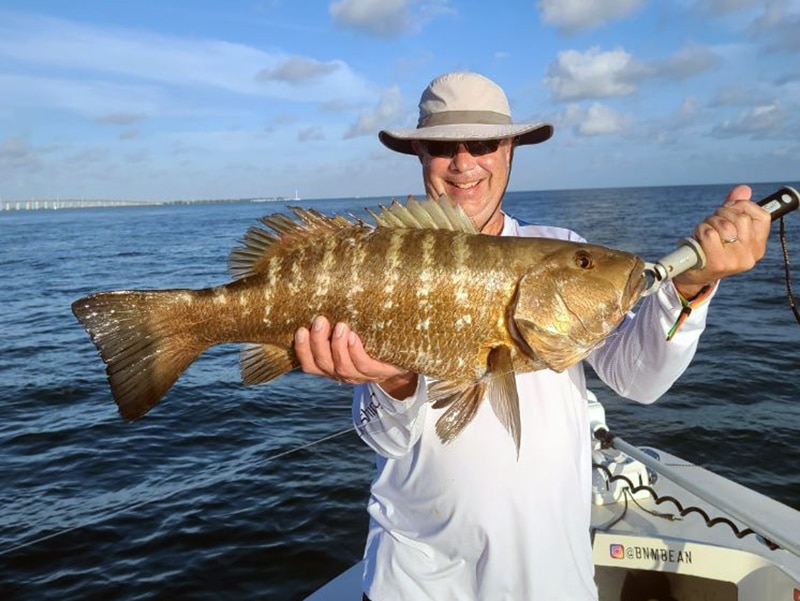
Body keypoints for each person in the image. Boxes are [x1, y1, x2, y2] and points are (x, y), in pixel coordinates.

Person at [293, 72, 771, 600]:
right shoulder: (387, 259)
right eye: (441, 147)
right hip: (414, 581)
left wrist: (692, 283)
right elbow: (385, 439)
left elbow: (641, 380)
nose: (464, 162)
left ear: (510, 150)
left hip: (549, 579)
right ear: (419, 155)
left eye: (483, 143)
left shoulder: (560, 245)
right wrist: (396, 383)